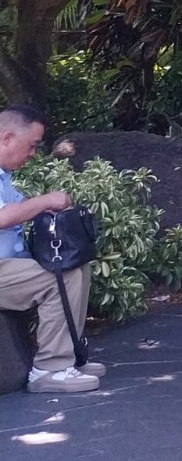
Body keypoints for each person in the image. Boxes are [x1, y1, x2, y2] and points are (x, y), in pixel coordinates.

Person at [0, 105, 102, 394]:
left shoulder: (4, 177)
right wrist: (47, 201)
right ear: (7, 138)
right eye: (31, 145)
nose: (33, 153)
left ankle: (69, 356)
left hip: (8, 267)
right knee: (58, 278)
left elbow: (19, 211)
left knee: (77, 265)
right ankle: (49, 369)